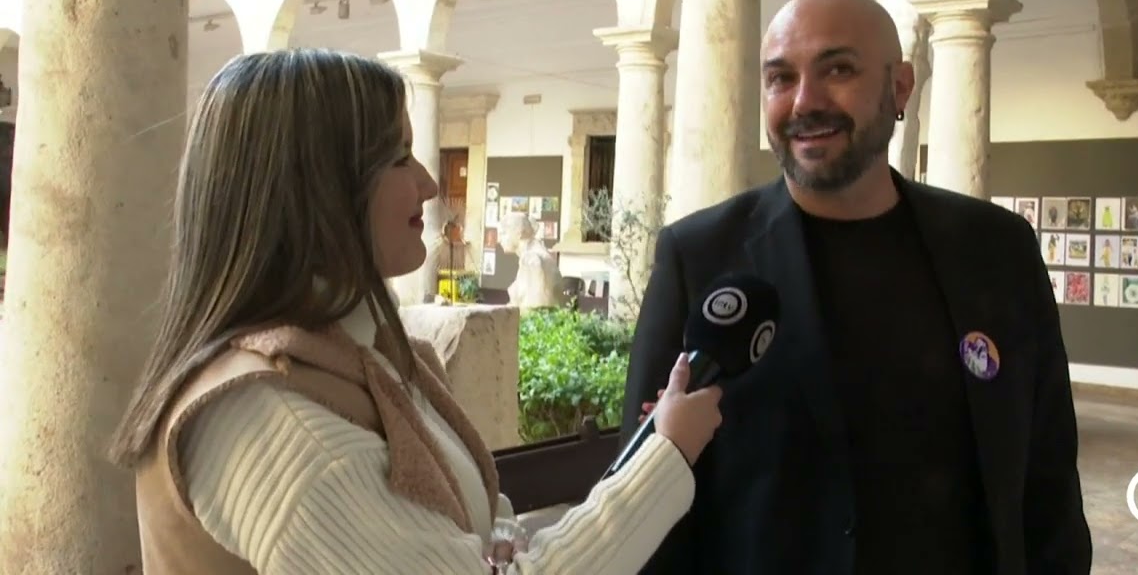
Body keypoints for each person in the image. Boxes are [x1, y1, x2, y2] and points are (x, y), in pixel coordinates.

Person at [107, 48, 723, 575]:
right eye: (399, 157)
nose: (429, 184)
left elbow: (478, 527)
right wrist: (667, 454)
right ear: (318, 183)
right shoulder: (268, 420)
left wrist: (498, 542)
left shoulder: (363, 357)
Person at [621, 0, 1091, 574]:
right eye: (780, 78)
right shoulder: (699, 257)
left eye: (838, 69)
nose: (804, 101)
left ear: (900, 88)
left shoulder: (997, 249)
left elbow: (1048, 474)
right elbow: (647, 498)